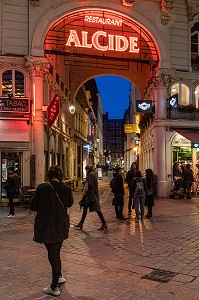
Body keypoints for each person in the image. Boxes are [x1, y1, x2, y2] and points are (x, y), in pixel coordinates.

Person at [30, 165, 74, 297]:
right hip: (60, 225)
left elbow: (33, 205)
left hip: (44, 226)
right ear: (61, 175)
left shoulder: (42, 187)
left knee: (53, 254)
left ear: (49, 174)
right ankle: (59, 276)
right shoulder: (66, 189)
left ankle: (54, 287)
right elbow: (70, 203)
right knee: (54, 253)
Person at [75, 164, 108, 230]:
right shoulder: (94, 173)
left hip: (91, 195)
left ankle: (104, 222)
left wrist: (85, 183)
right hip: (93, 194)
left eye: (86, 169)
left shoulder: (90, 174)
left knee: (97, 209)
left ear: (88, 169)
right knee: (86, 208)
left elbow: (90, 184)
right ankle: (81, 223)